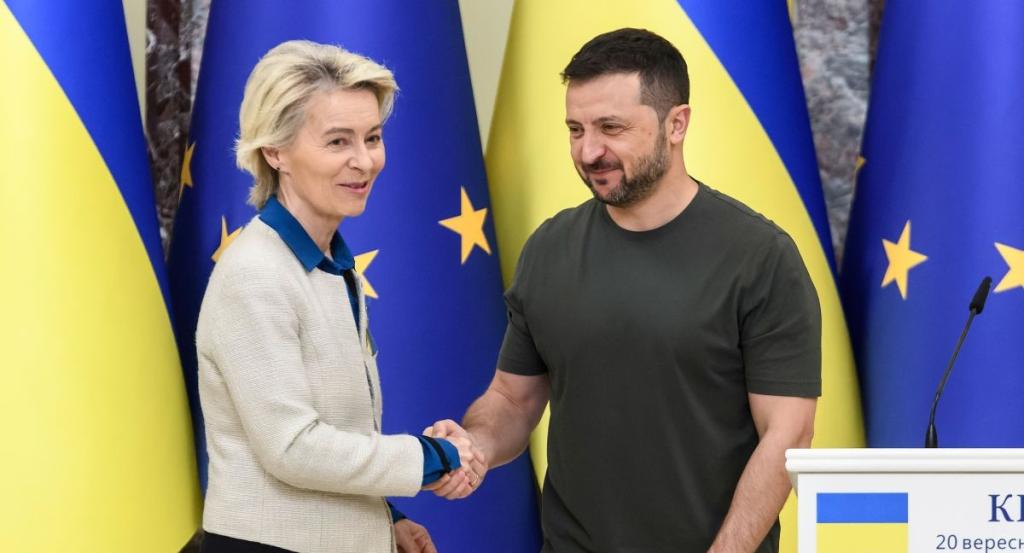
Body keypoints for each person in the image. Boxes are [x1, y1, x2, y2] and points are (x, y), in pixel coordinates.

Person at [426, 28, 821, 552]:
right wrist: (472, 446)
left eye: (611, 127)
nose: (589, 151)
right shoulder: (550, 248)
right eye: (575, 129)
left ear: (676, 123)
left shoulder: (760, 256)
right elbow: (513, 400)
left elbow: (787, 436)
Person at [196, 40, 482, 553]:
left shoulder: (329, 266)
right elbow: (293, 447)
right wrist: (435, 457)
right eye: (337, 142)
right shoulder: (256, 274)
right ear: (275, 151)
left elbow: (336, 428)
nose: (364, 161)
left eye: (372, 137)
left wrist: (384, 519)